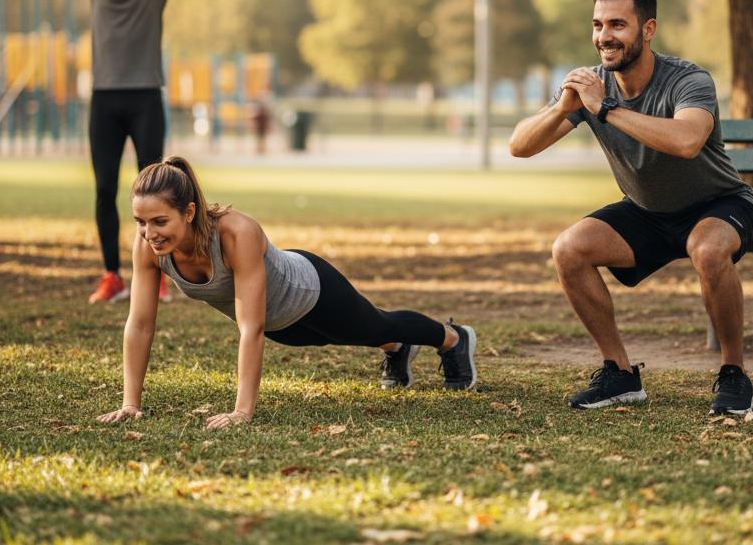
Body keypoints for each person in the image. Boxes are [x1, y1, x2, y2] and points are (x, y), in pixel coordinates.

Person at [508, 0, 753, 415]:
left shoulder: (688, 79)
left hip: (719, 204)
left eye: (618, 25)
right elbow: (520, 146)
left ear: (647, 29)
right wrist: (562, 108)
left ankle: (733, 372)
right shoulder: (591, 86)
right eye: (598, 25)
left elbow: (686, 141)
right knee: (569, 249)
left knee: (708, 247)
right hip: (647, 212)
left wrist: (607, 108)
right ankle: (620, 374)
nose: (605, 37)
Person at [95, 156, 478, 428]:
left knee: (373, 327)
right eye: (141, 222)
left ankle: (453, 338)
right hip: (282, 325)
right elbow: (141, 325)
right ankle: (397, 349)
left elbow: (250, 328)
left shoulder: (235, 233)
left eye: (160, 221)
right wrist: (131, 404)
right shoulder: (147, 246)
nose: (150, 232)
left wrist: (242, 411)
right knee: (343, 339)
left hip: (311, 290)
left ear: (190, 212)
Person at [43, 0, 203, 304]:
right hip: (106, 100)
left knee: (159, 195)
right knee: (103, 188)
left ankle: (160, 275)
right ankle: (112, 275)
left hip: (146, 96)